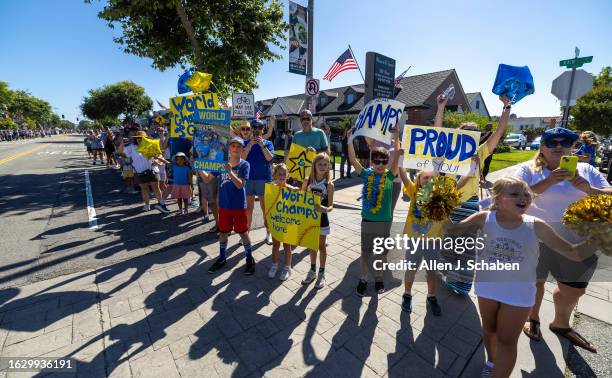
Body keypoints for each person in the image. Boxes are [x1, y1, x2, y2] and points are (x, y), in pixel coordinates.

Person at [444, 177, 595, 377]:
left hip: (518, 293)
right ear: (497, 199)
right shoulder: (484, 218)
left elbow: (572, 252)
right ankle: (491, 363)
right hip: (486, 287)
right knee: (489, 330)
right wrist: (438, 209)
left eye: (526, 194)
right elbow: (452, 231)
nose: (523, 198)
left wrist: (599, 237)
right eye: (514, 194)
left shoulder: (536, 225)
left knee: (507, 341)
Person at [516, 127, 611, 353]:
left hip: (580, 241)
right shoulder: (528, 169)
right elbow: (514, 196)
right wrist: (548, 182)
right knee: (535, 283)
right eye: (552, 142)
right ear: (542, 147)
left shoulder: (587, 169)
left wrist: (590, 189)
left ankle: (561, 323)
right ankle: (533, 317)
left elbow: (609, 194)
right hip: (536, 238)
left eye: (565, 142)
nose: (559, 146)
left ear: (573, 147)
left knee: (574, 289)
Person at [442, 94, 512, 295]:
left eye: (475, 132)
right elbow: (436, 133)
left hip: (469, 205)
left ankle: (461, 285)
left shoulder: (480, 152)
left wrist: (506, 107)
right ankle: (449, 275)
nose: (471, 134)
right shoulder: (448, 151)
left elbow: (499, 131)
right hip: (446, 203)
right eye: (467, 132)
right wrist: (441, 107)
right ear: (459, 134)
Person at [348, 125, 401, 296]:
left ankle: (379, 278)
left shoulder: (389, 176)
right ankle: (363, 278)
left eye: (383, 161)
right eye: (376, 161)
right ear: (371, 162)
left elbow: (396, 159)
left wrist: (397, 136)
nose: (380, 164)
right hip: (368, 220)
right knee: (365, 252)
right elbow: (353, 159)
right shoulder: (366, 174)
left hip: (384, 221)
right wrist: (350, 140)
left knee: (381, 253)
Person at [198, 137, 255, 275]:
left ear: (242, 149)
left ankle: (249, 258)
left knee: (243, 232)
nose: (236, 149)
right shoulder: (221, 163)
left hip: (239, 206)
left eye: (239, 147)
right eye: (233, 146)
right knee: (223, 232)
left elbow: (240, 184)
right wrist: (198, 166)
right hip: (224, 206)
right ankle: (222, 258)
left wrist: (229, 172)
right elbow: (207, 179)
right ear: (229, 148)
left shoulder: (244, 165)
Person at [398, 169, 443, 316]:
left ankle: (431, 296)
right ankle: (407, 294)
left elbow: (459, 185)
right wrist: (399, 159)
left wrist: (471, 169)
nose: (429, 181)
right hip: (415, 240)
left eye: (432, 178)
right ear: (418, 180)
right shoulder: (413, 191)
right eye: (425, 178)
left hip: (433, 240)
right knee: (411, 268)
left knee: (432, 271)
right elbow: (404, 177)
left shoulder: (440, 196)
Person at [301, 153, 334, 289]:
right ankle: (312, 271)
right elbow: (301, 199)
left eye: (325, 164)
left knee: (321, 246)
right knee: (311, 246)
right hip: (309, 220)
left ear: (328, 166)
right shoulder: (307, 181)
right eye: (319, 164)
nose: (322, 166)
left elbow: (331, 206)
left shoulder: (329, 185)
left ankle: (322, 273)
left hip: (322, 220)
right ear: (314, 165)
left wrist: (323, 209)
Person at [118, 131, 171, 213]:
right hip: (140, 172)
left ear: (146, 138)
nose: (139, 139)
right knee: (144, 189)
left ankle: (161, 204)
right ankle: (147, 205)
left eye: (141, 138)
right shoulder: (132, 147)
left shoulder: (150, 145)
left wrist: (157, 161)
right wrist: (122, 142)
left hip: (152, 170)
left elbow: (159, 154)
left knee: (156, 188)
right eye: (137, 138)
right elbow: (120, 152)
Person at [242, 119, 275, 245]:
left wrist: (261, 145)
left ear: (263, 129)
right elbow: (242, 159)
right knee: (248, 209)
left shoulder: (268, 143)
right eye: (254, 127)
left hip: (264, 180)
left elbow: (269, 158)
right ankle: (246, 235)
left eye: (259, 127)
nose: (256, 130)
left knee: (265, 209)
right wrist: (250, 145)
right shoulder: (245, 142)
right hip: (249, 180)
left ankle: (268, 234)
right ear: (251, 129)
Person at [268, 163, 297, 281]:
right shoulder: (271, 189)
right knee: (275, 244)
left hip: (289, 223)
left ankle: (287, 267)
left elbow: (301, 195)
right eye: (279, 174)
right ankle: (274, 265)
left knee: (287, 246)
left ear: (288, 175)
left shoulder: (291, 189)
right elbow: (268, 205)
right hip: (276, 221)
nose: (281, 176)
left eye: (284, 174)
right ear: (275, 175)